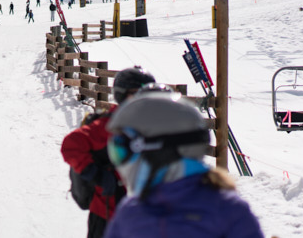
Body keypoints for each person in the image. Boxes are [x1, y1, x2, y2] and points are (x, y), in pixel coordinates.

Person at [104, 90, 264, 238]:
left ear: (159, 151)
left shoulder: (228, 212)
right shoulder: (130, 212)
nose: (117, 163)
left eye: (121, 149)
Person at [61, 66, 155, 238]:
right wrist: (95, 174)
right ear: (122, 95)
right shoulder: (109, 126)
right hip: (108, 217)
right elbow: (71, 145)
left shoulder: (155, 127)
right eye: (137, 94)